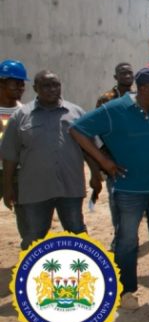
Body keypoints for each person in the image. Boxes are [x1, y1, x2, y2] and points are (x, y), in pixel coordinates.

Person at [70, 67, 149, 310]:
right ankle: (127, 290)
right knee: (127, 241)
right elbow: (77, 129)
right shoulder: (113, 110)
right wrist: (103, 161)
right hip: (129, 190)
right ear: (142, 90)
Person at [1, 70, 94, 250]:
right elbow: (9, 156)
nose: (52, 89)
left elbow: (89, 149)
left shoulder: (76, 113)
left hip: (70, 187)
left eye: (56, 85)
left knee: (76, 232)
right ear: (35, 88)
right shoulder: (20, 117)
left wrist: (96, 175)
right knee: (34, 237)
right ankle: (31, 275)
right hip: (35, 190)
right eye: (46, 86)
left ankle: (82, 273)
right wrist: (8, 188)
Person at [95, 62, 135, 250]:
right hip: (115, 158)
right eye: (123, 73)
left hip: (138, 157)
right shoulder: (106, 99)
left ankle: (131, 236)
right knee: (116, 199)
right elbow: (98, 127)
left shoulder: (138, 97)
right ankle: (119, 236)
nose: (127, 76)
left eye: (129, 73)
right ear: (115, 77)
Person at [0, 60, 29, 219]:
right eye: (15, 84)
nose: (20, 88)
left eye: (22, 84)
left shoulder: (25, 113)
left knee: (27, 219)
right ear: (2, 84)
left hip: (19, 171)